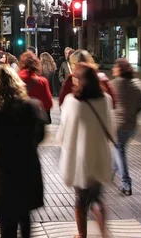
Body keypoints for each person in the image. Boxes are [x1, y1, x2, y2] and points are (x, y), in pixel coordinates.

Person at [0, 65, 46, 238]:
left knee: (7, 223)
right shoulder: (32, 106)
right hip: (28, 168)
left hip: (5, 172)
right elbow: (41, 135)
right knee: (25, 217)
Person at [56, 64, 114, 238]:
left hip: (81, 157)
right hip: (100, 155)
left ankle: (82, 234)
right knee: (97, 196)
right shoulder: (105, 99)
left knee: (81, 198)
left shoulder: (72, 102)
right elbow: (111, 129)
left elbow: (64, 133)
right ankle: (103, 232)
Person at [111, 58, 141, 196]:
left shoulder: (116, 83)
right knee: (118, 150)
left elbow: (108, 101)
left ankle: (126, 182)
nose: (112, 70)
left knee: (119, 151)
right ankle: (109, 175)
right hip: (132, 125)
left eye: (115, 67)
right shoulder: (137, 83)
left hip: (119, 124)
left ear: (120, 69)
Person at [18, 51, 53, 124]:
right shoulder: (42, 81)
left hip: (19, 118)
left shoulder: (15, 79)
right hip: (35, 119)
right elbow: (48, 104)